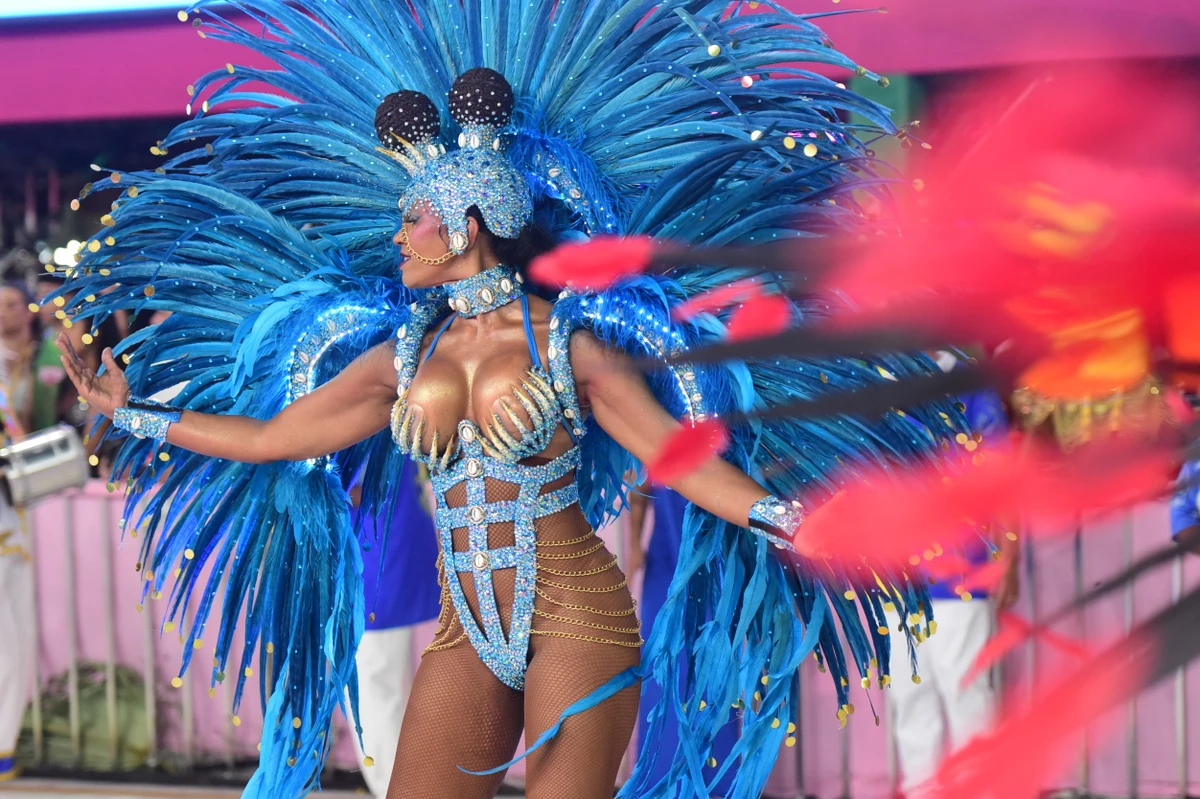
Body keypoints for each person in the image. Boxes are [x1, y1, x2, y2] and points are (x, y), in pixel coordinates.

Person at [50, 3, 972, 798]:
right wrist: (131, 411)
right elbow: (269, 439)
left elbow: (675, 458)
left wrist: (790, 515)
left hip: (578, 616)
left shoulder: (568, 340)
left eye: (413, 216)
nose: (398, 235)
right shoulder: (402, 352)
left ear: (468, 225)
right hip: (465, 630)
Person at [886, 352, 1020, 798]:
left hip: (963, 567)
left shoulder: (975, 390)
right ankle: (920, 790)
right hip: (895, 575)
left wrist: (1008, 557)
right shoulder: (882, 383)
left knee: (968, 691)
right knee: (908, 694)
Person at [349, 460, 440, 799]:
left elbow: (350, 487)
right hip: (391, 538)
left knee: (374, 686)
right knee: (387, 685)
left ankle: (395, 791)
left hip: (374, 547)